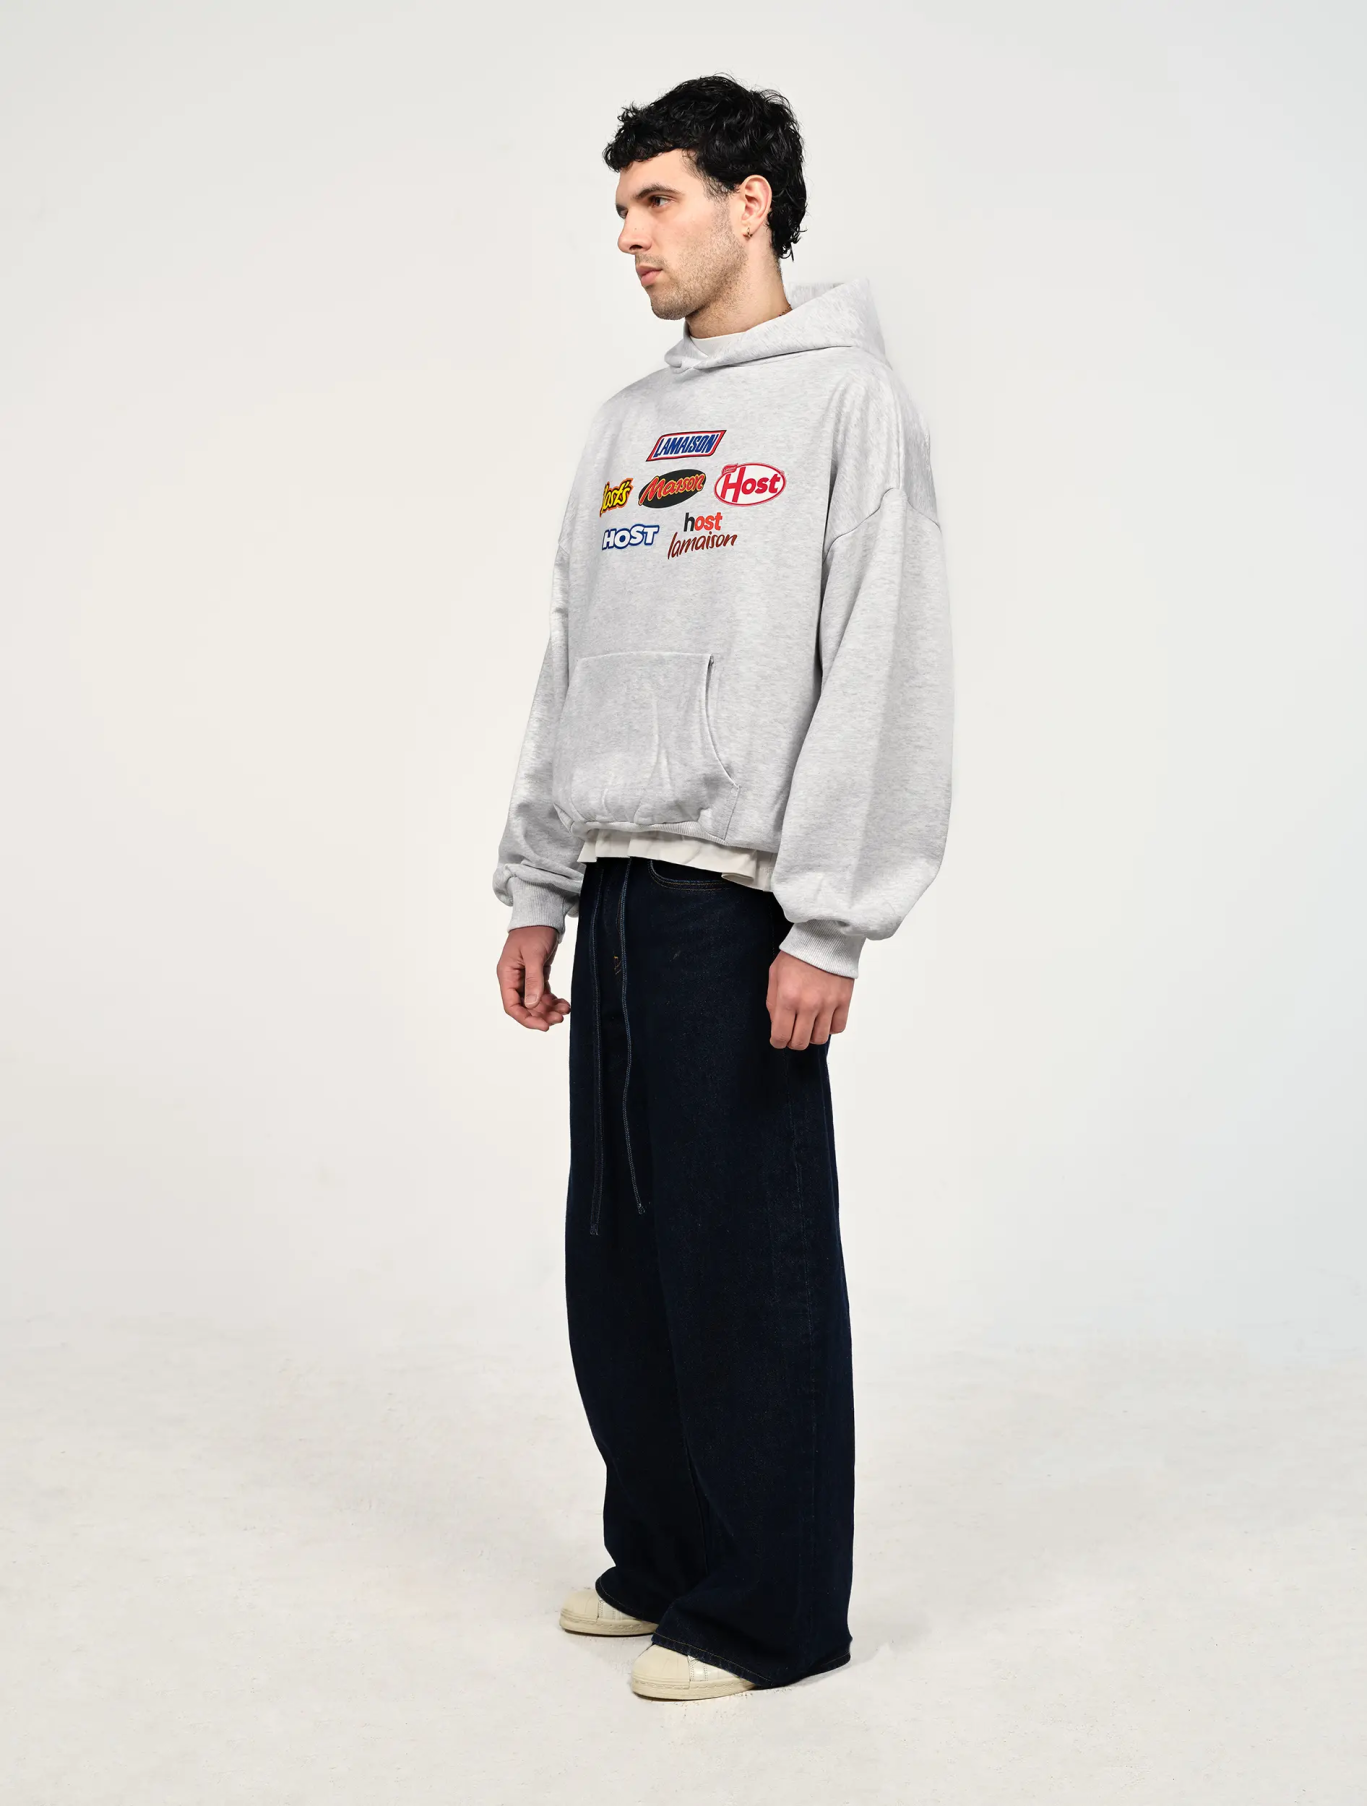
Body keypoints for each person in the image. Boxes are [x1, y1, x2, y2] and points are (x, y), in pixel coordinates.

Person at [493, 74, 953, 1701]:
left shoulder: (848, 404)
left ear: (751, 204)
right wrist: (538, 879)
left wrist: (830, 916)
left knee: (746, 1257)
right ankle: (671, 1555)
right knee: (620, 1255)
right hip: (617, 886)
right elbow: (574, 657)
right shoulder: (629, 425)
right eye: (620, 207)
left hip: (740, 900)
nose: (630, 236)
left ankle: (774, 1613)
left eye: (658, 200)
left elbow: (881, 662)